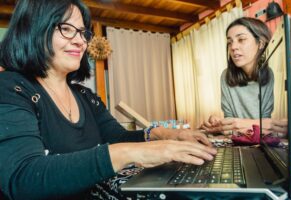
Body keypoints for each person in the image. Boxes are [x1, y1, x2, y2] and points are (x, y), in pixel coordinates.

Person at [0, 0, 217, 200]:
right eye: (65, 29)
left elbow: (117, 137)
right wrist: (127, 153)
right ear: (33, 28)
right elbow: (23, 177)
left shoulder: (84, 96)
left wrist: (163, 134)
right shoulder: (11, 88)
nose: (79, 41)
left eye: (82, 33)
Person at [201, 17, 274, 134]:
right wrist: (220, 124)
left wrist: (236, 124)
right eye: (230, 42)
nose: (233, 47)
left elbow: (267, 125)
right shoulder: (226, 76)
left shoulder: (272, 74)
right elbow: (230, 119)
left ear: (260, 43)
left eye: (241, 39)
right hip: (239, 141)